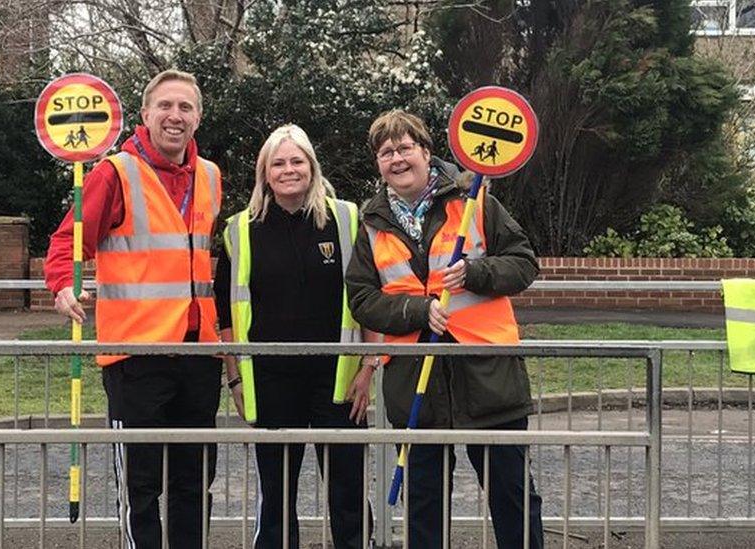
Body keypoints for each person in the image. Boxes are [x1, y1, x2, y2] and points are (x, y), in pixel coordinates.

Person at [345, 109, 544, 549]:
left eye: (404, 148)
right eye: (385, 152)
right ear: (378, 164)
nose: (396, 159)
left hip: (488, 379)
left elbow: (524, 263)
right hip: (416, 385)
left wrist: (475, 273)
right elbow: (362, 298)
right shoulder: (372, 225)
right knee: (424, 508)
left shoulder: (474, 203)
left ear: (426, 152)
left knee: (512, 500)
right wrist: (418, 311)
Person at [44, 69, 222, 549]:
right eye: (165, 105)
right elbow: (68, 240)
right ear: (145, 114)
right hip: (135, 357)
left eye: (185, 107)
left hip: (197, 355)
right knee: (140, 486)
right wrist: (63, 285)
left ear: (198, 118)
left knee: (194, 480)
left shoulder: (210, 176)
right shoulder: (114, 172)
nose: (175, 116)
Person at [214, 124, 375, 549]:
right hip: (270, 379)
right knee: (276, 495)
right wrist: (234, 380)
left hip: (338, 381)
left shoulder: (346, 218)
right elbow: (224, 315)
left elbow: (367, 295)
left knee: (349, 491)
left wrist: (371, 364)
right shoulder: (239, 231)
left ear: (312, 166)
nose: (289, 170)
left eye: (297, 161)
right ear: (265, 173)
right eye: (278, 163)